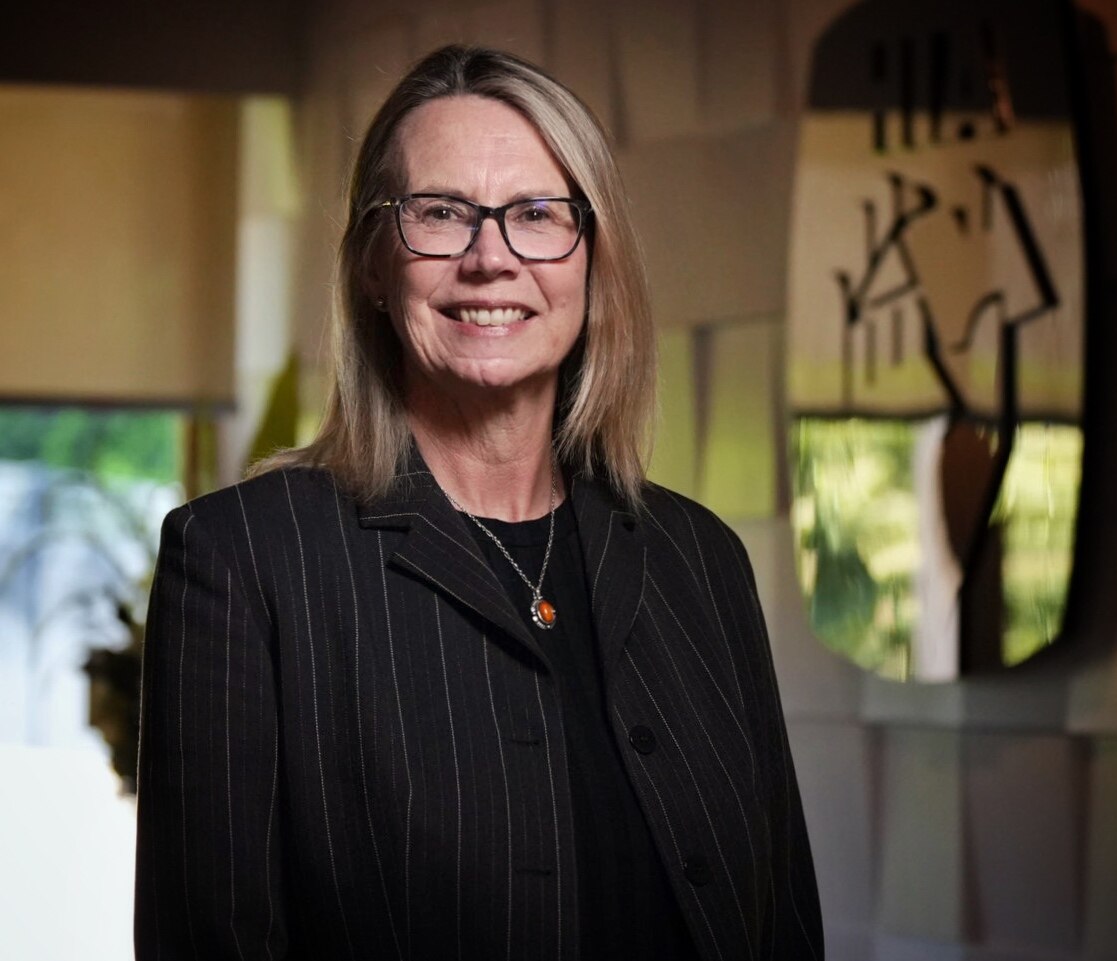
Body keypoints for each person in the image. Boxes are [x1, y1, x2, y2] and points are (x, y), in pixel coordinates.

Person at [133, 44, 823, 961]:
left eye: (537, 215)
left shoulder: (700, 557)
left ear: (593, 261)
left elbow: (782, 922)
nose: (490, 258)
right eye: (441, 213)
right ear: (375, 266)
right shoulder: (243, 559)